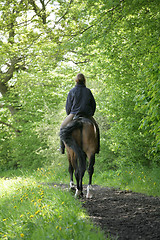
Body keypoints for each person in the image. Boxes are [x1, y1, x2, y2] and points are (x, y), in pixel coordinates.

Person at [60, 73, 100, 154]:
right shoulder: (88, 91)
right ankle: (97, 147)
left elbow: (68, 106)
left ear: (76, 81)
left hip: (74, 114)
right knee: (96, 128)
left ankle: (62, 148)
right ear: (84, 80)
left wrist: (69, 114)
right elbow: (93, 104)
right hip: (87, 115)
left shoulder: (72, 91)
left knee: (62, 127)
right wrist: (91, 114)